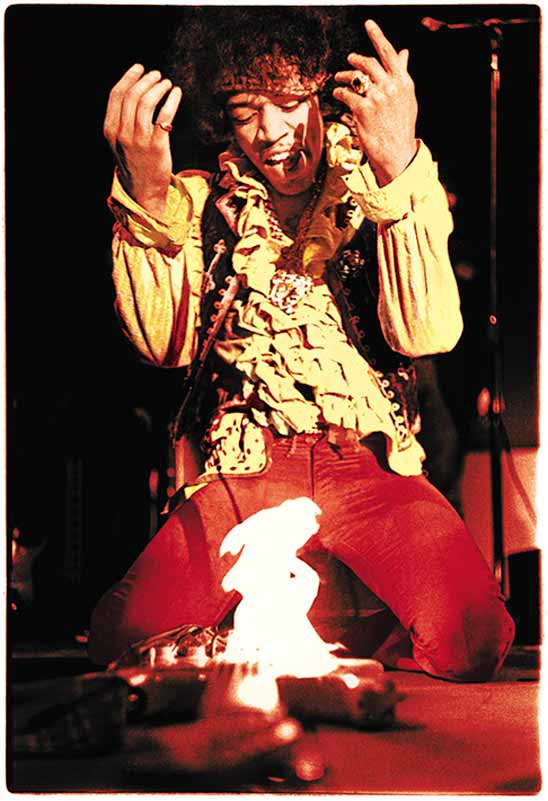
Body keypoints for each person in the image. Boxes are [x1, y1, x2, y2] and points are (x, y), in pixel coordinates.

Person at [89, 8, 514, 680]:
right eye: (245, 110)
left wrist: (397, 162)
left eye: (288, 102)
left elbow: (428, 332)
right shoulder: (197, 203)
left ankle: (358, 638)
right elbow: (161, 348)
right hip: (247, 465)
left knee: (473, 639)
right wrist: (145, 190)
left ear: (322, 97)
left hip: (366, 460)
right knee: (125, 636)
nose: (270, 131)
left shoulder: (381, 182)